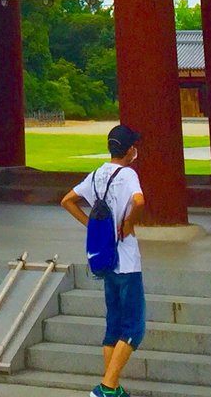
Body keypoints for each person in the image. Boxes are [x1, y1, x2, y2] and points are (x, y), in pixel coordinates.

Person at [60, 123, 147, 397]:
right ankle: (107, 387)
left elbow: (68, 200)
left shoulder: (97, 174)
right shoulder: (128, 174)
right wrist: (129, 223)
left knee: (113, 324)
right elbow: (140, 201)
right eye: (134, 145)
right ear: (129, 149)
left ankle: (113, 387)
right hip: (127, 260)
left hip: (105, 258)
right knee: (134, 326)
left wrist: (91, 226)